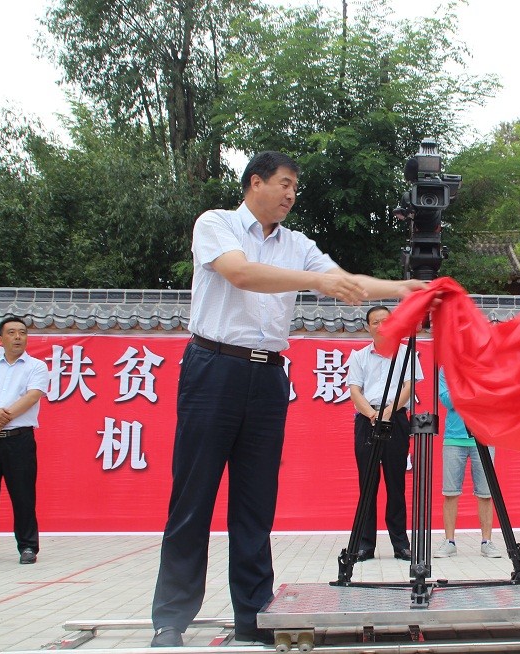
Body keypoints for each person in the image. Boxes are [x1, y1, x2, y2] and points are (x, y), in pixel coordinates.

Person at [150, 151, 424, 648]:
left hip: (268, 377)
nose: (291, 195)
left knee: (255, 503)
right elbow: (241, 274)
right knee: (193, 496)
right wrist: (315, 280)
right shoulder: (216, 224)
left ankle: (253, 616)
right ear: (255, 182)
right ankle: (171, 618)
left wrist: (403, 288)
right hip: (213, 368)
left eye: (295, 187)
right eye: (284, 183)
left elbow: (344, 282)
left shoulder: (297, 244)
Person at [346, 305, 422, 561]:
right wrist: (372, 414)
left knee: (396, 483)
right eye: (375, 322)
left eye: (386, 321)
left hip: (396, 418)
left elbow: (409, 387)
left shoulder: (406, 353)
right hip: (366, 420)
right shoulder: (359, 356)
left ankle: (400, 544)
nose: (381, 326)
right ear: (368, 327)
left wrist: (388, 412)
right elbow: (355, 390)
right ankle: (365, 544)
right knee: (367, 483)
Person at [0, 316, 50, 565]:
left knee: (23, 495)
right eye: (11, 332)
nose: (18, 337)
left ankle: (28, 546)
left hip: (19, 440)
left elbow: (31, 397)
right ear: (1, 339)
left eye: (22, 332)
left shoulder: (36, 367)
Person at [433, 367, 501, 559]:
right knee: (450, 493)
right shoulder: (447, 370)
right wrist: (472, 390)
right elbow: (446, 400)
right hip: (454, 438)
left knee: (486, 494)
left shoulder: (485, 367)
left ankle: (487, 542)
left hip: (483, 436)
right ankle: (449, 542)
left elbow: (490, 398)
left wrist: (463, 392)